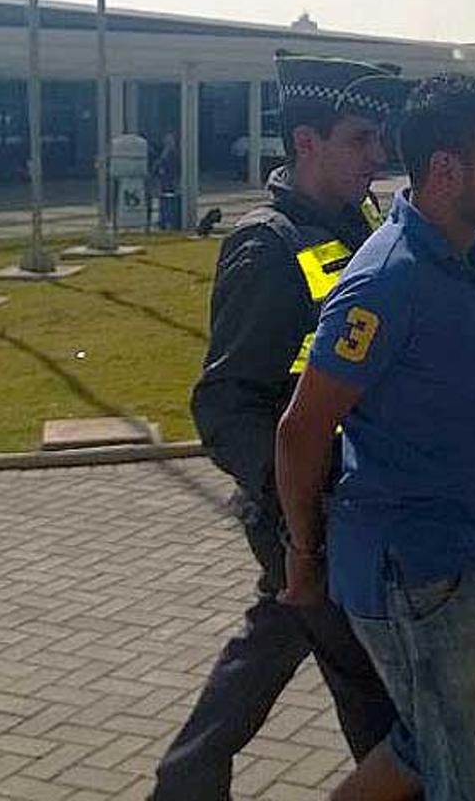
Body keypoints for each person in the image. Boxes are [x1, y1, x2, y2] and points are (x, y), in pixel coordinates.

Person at [150, 54, 409, 801]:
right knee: (376, 690)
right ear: (307, 142)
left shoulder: (355, 223)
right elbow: (226, 404)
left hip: (341, 502)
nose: (377, 156)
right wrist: (300, 502)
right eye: (360, 139)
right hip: (308, 510)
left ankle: (184, 783)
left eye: (377, 139)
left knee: (277, 640)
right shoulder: (268, 246)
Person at [276, 77, 475, 801]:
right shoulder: (387, 281)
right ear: (448, 169)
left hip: (457, 555)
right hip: (415, 574)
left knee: (427, 747)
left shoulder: (461, 254)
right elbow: (301, 429)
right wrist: (303, 556)